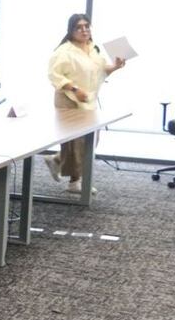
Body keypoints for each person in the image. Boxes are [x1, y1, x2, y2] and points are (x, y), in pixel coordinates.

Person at [45, 13, 126, 194]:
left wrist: (115, 66)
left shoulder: (93, 49)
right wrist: (74, 89)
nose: (84, 30)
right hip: (69, 99)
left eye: (87, 26)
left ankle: (57, 160)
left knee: (91, 139)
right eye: (79, 27)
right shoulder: (64, 51)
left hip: (87, 100)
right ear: (71, 30)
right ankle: (75, 182)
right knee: (76, 142)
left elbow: (99, 72)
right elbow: (54, 75)